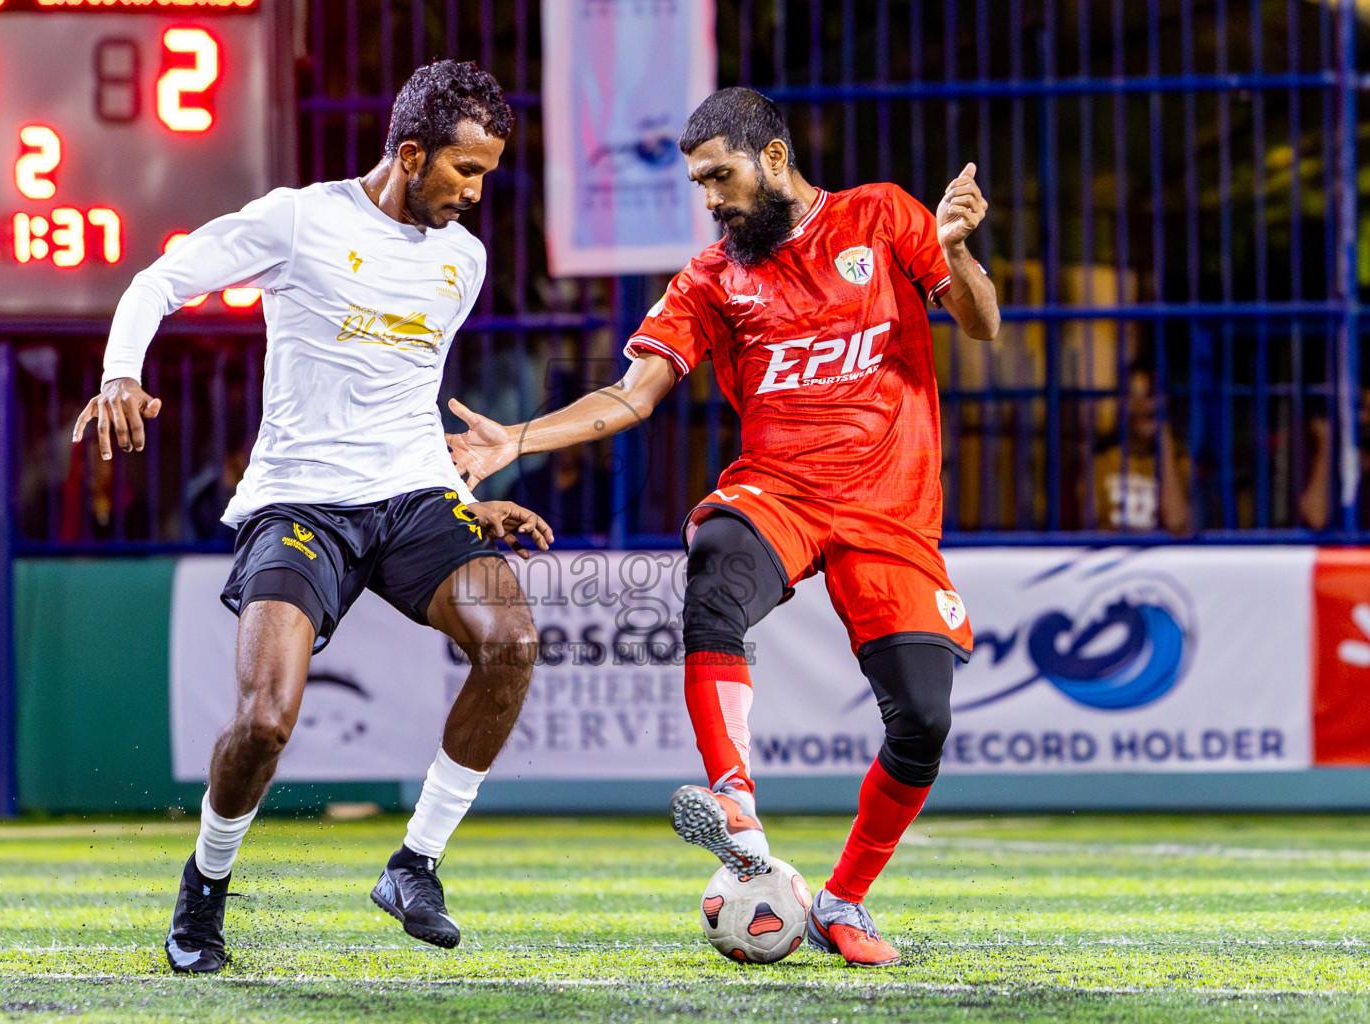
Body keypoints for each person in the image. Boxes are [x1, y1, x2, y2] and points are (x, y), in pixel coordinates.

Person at [447, 87, 999, 967]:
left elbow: (980, 322)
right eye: (699, 183)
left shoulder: (882, 215)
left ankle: (843, 900)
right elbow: (631, 395)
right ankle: (734, 801)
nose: (710, 199)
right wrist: (514, 438)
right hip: (777, 492)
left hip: (890, 509)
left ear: (773, 157)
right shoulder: (711, 277)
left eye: (721, 177)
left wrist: (959, 252)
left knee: (924, 721)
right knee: (713, 571)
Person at [72, 60, 552, 974]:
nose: (477, 192)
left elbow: (412, 399)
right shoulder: (300, 220)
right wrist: (121, 375)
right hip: (300, 504)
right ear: (410, 152)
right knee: (265, 720)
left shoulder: (464, 259)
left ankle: (414, 865)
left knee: (514, 643)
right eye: (465, 170)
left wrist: (462, 503)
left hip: (413, 503)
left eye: (488, 172)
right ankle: (204, 889)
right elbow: (158, 282)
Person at [1087, 367, 1192, 534]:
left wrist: (1165, 447)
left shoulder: (1179, 460)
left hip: (1160, 557)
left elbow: (1177, 524)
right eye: (1134, 395)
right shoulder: (1101, 462)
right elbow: (1089, 530)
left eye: (1150, 395)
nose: (1142, 404)